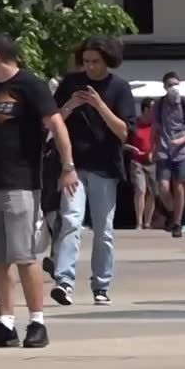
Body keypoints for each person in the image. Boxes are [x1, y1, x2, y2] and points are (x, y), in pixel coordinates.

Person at [0, 34, 74, 348]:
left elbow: (56, 124)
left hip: (21, 184)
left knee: (26, 256)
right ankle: (5, 324)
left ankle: (37, 322)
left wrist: (68, 166)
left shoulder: (32, 86)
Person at [51, 37, 134, 306]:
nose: (90, 67)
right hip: (73, 165)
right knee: (71, 221)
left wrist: (99, 105)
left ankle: (101, 284)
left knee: (104, 229)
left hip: (106, 166)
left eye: (95, 62)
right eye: (85, 61)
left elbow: (124, 132)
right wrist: (70, 106)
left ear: (107, 61)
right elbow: (51, 122)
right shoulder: (70, 84)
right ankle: (63, 282)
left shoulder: (119, 88)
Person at [152, 71, 185, 238]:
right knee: (163, 186)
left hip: (182, 151)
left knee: (180, 186)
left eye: (176, 84)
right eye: (170, 84)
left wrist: (182, 140)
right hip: (164, 150)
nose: (173, 87)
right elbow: (155, 127)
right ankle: (173, 212)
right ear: (164, 87)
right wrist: (153, 148)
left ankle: (178, 222)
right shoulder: (158, 104)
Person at [124, 99, 156, 230]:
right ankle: (139, 222)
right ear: (146, 109)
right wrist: (131, 148)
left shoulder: (156, 125)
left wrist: (153, 152)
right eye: (153, 109)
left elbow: (160, 141)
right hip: (136, 161)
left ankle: (148, 222)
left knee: (153, 192)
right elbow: (123, 142)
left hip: (153, 162)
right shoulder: (134, 124)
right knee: (140, 189)